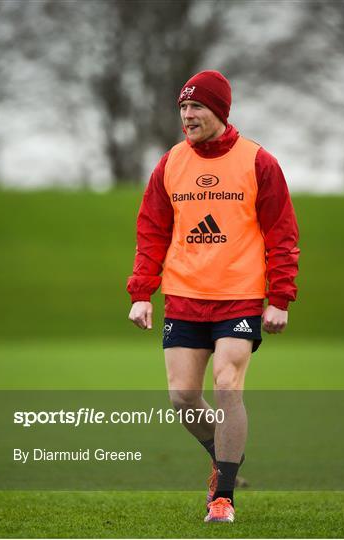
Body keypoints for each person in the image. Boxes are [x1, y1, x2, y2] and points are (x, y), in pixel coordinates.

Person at [127, 70, 299, 523]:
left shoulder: (259, 162)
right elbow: (151, 233)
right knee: (183, 399)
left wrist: (279, 298)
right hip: (184, 296)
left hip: (240, 297)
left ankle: (222, 497)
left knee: (226, 385)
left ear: (219, 111)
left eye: (197, 107)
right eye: (183, 107)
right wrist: (142, 292)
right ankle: (224, 457)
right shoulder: (169, 164)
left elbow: (282, 234)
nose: (188, 115)